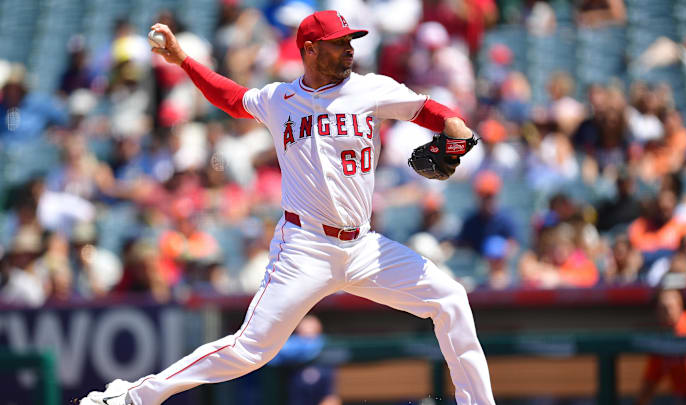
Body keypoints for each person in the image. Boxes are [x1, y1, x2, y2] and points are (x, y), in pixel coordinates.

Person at [79, 10, 495, 405]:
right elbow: (230, 98)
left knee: (451, 298)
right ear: (310, 49)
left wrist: (453, 125)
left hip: (364, 247)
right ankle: (134, 396)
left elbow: (428, 110)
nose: (349, 49)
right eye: (338, 43)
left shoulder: (370, 89)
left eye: (350, 41)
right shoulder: (279, 98)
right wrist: (184, 60)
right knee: (250, 349)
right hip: (305, 246)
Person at [635, 288, 686, 405]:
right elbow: (651, 381)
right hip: (684, 399)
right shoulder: (662, 340)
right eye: (663, 308)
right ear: (657, 311)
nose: (668, 312)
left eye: (670, 307)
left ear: (680, 305)